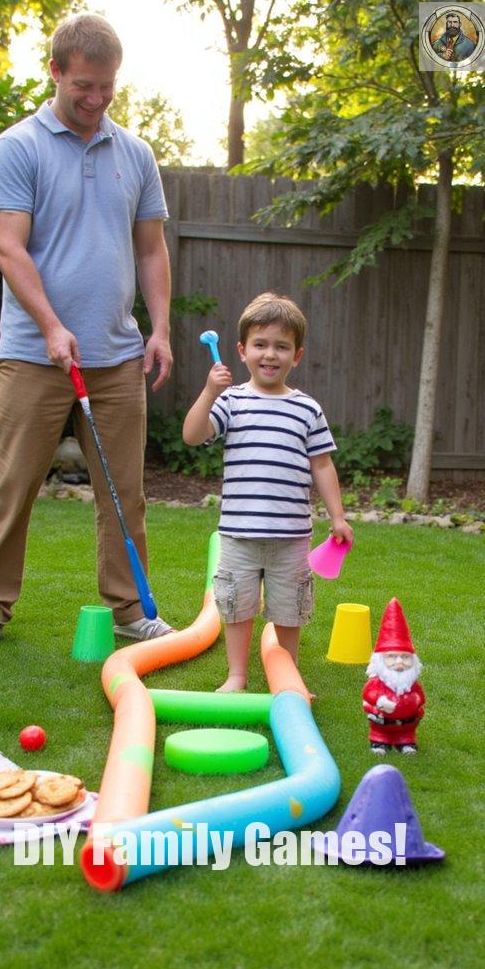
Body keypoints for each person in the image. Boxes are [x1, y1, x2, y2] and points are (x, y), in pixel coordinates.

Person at [0, 13, 173, 650]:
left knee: (123, 493)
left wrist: (158, 329)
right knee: (14, 485)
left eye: (107, 87)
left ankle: (132, 609)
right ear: (54, 71)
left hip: (116, 355)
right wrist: (51, 325)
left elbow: (152, 251)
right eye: (84, 85)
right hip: (32, 355)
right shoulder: (17, 147)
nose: (97, 99)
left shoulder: (135, 154)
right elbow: (8, 248)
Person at [183, 292, 353, 691]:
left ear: (297, 355)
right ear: (242, 351)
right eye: (260, 344)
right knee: (237, 607)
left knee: (289, 610)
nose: (270, 354)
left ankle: (288, 676)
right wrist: (209, 391)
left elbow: (323, 464)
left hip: (291, 536)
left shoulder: (307, 409)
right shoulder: (230, 401)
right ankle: (237, 676)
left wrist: (339, 516)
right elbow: (192, 435)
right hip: (239, 534)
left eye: (282, 346)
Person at [362, 598, 425, 755]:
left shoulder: (412, 684)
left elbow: (420, 697)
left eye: (405, 657)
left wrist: (417, 701)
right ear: (381, 660)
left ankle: (406, 741)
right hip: (382, 721)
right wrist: (379, 700)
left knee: (406, 736)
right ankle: (380, 741)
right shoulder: (377, 684)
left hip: (408, 725)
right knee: (380, 734)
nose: (399, 662)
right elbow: (369, 694)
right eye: (392, 657)